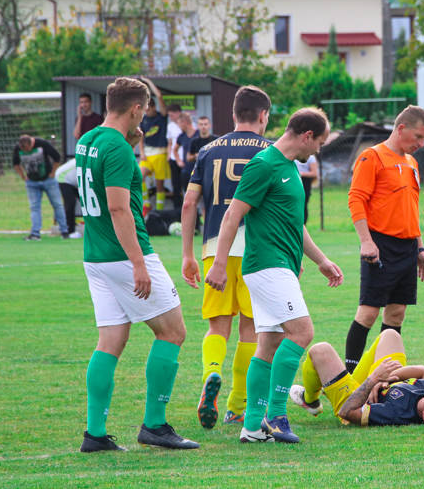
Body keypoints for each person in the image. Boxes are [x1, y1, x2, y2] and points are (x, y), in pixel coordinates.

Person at [204, 107, 344, 444]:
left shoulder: (289, 168)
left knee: (267, 344)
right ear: (306, 135)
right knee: (302, 332)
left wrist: (321, 260)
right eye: (320, 142)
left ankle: (252, 427)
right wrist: (220, 264)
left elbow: (296, 224)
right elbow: (231, 215)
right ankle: (276, 415)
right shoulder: (264, 164)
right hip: (267, 265)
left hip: (279, 266)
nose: (318, 150)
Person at [76, 77, 198, 452]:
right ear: (135, 109)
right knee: (173, 332)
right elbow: (116, 206)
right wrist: (138, 264)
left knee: (111, 339)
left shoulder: (90, 139)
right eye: (143, 109)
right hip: (125, 255)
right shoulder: (116, 148)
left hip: (95, 255)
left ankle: (95, 434)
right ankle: (155, 425)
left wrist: (131, 143)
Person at [181, 86, 272, 430]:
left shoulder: (207, 150)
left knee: (217, 325)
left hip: (214, 249)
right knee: (252, 329)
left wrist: (189, 253)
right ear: (263, 115)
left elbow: (190, 203)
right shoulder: (271, 151)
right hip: (257, 251)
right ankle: (237, 404)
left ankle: (211, 373)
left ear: (233, 115)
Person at [345, 106, 424, 373]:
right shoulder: (371, 157)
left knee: (396, 313)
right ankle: (349, 379)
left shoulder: (411, 163)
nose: (421, 144)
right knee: (369, 313)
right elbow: (356, 199)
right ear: (401, 128)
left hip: (407, 248)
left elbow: (411, 208)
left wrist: (420, 248)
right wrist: (366, 241)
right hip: (380, 245)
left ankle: (385, 376)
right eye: (418, 137)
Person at [289, 329, 424, 426]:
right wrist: (389, 377)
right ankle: (337, 381)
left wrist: (373, 380)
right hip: (380, 381)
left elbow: (347, 412)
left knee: (320, 350)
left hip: (356, 399)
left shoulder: (397, 414)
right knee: (391, 335)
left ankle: (310, 401)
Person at [12, 134, 69, 240]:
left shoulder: (42, 144)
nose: (26, 151)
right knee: (34, 207)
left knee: (57, 205)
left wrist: (53, 173)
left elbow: (57, 157)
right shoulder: (18, 148)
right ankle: (35, 234)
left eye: (28, 149)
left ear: (31, 143)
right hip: (32, 183)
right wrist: (23, 176)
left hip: (48, 180)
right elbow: (16, 164)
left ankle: (64, 231)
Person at [138, 77, 169, 213]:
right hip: (147, 154)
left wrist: (147, 81)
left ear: (153, 107)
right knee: (139, 176)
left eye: (149, 108)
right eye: (145, 109)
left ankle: (159, 211)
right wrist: (142, 152)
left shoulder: (161, 116)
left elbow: (160, 96)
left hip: (160, 153)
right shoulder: (143, 120)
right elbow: (140, 137)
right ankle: (146, 204)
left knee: (159, 185)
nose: (147, 111)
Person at [56, 157, 83, 238]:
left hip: (73, 181)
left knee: (86, 204)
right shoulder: (83, 160)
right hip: (63, 178)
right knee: (70, 204)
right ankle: (69, 231)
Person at [166, 103, 185, 210]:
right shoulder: (170, 126)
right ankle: (177, 209)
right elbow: (169, 142)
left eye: (172, 115)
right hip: (173, 159)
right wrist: (169, 155)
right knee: (175, 185)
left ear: (178, 113)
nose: (170, 117)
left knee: (186, 185)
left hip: (184, 159)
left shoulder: (187, 124)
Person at [175, 112, 197, 200]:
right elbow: (174, 149)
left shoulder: (198, 134)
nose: (179, 126)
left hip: (197, 170)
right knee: (187, 196)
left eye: (179, 124)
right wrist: (178, 161)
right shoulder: (181, 136)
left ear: (184, 122)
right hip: (186, 170)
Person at [296, 154, 318, 223]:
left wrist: (301, 174)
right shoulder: (293, 155)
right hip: (294, 180)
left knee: (303, 205)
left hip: (305, 182)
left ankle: (303, 224)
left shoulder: (311, 157)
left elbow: (314, 173)